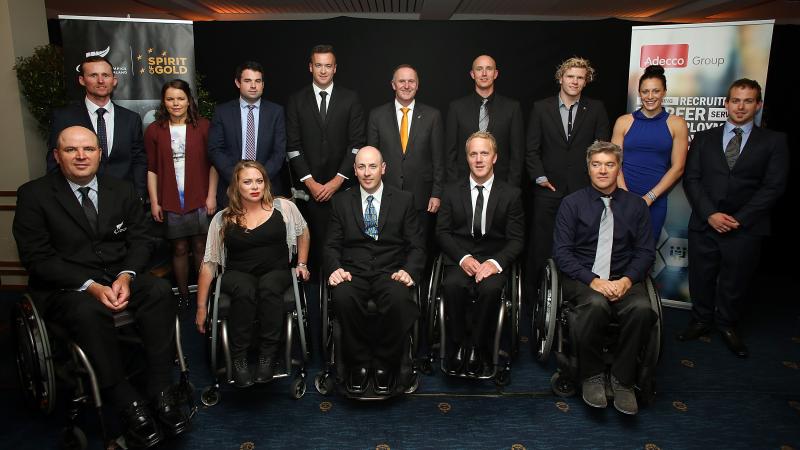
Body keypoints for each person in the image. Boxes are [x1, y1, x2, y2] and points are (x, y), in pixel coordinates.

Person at [14, 126, 189, 447]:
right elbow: (36, 258)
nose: (81, 156)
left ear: (99, 153)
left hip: (121, 277)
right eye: (71, 150)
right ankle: (126, 402)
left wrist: (127, 275)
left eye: (88, 149)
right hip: (70, 288)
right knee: (87, 310)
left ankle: (160, 389)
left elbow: (141, 239)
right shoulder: (34, 195)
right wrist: (90, 285)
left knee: (160, 292)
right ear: (57, 155)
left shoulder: (120, 190)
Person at [679, 79, 789, 358]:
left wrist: (739, 219)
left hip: (746, 227)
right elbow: (692, 179)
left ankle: (727, 324)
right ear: (726, 103)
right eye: (736, 100)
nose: (741, 107)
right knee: (701, 276)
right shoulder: (704, 137)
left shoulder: (774, 141)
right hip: (705, 222)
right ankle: (702, 320)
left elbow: (773, 186)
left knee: (735, 279)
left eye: (748, 101)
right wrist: (711, 214)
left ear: (758, 105)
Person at [553, 141, 656, 416]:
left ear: (618, 168)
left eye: (609, 165)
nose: (602, 170)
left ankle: (623, 379)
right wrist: (593, 280)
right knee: (596, 305)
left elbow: (646, 252)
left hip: (624, 277)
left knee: (643, 310)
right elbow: (562, 253)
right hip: (583, 278)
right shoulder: (571, 204)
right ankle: (592, 375)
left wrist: (626, 280)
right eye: (596, 164)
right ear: (588, 169)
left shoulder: (636, 206)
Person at [194, 160, 310, 387]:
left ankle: (268, 357)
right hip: (238, 274)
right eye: (248, 182)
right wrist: (200, 308)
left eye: (259, 181)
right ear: (237, 186)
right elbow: (209, 265)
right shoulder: (223, 219)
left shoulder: (283, 208)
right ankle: (239, 360)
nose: (255, 186)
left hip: (276, 271)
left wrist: (303, 264)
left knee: (268, 286)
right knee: (245, 288)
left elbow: (303, 233)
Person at [325, 146, 424, 395]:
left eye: (372, 166)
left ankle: (384, 363)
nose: (367, 172)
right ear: (355, 171)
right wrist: (335, 269)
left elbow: (417, 246)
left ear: (383, 169)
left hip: (390, 271)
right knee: (342, 297)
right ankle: (358, 363)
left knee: (400, 298)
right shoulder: (340, 202)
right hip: (353, 272)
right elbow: (330, 246)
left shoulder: (404, 200)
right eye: (361, 167)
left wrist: (408, 271)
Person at [436, 131, 524, 376]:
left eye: (484, 153)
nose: (479, 159)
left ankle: (477, 346)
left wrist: (494, 263)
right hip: (459, 258)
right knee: (452, 287)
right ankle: (457, 345)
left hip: (493, 260)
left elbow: (516, 240)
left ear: (494, 157)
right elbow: (442, 232)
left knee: (491, 289)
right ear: (467, 158)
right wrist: (463, 258)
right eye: (473, 154)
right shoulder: (452, 191)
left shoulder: (511, 194)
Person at [525, 56, 609, 293]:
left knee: (578, 246)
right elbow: (531, 149)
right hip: (547, 191)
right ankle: (534, 301)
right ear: (560, 78)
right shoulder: (541, 108)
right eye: (570, 76)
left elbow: (601, 150)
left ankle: (572, 295)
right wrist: (540, 178)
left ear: (586, 82)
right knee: (541, 247)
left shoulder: (596, 108)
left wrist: (592, 183)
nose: (575, 81)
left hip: (583, 192)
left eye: (580, 78)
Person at [286, 44, 365, 276]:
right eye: (318, 65)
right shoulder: (296, 100)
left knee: (343, 246)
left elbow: (356, 145)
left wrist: (336, 181)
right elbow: (293, 148)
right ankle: (314, 303)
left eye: (327, 66)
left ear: (335, 68)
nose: (323, 70)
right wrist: (310, 183)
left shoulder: (351, 99)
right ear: (310, 67)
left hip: (342, 190)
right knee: (314, 251)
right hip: (308, 193)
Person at [145, 79, 217, 306]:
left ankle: (204, 296)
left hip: (200, 197)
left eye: (180, 98)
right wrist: (155, 202)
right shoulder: (154, 130)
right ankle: (184, 295)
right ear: (163, 102)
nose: (175, 103)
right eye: (170, 99)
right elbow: (152, 169)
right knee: (179, 247)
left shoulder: (204, 126)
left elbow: (213, 165)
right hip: (171, 199)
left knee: (200, 246)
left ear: (189, 101)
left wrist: (212, 195)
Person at [47, 56, 147, 198]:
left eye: (105, 75)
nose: (101, 80)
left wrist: (139, 195)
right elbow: (54, 160)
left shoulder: (131, 118)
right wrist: (60, 198)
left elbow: (139, 160)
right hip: (80, 197)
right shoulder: (64, 117)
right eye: (93, 75)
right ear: (82, 80)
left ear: (114, 80)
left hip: (123, 197)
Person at [367, 64, 444, 242]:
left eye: (411, 81)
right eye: (402, 81)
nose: (406, 86)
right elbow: (371, 157)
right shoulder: (377, 116)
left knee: (419, 247)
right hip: (385, 194)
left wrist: (437, 193)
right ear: (393, 84)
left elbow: (439, 159)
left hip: (422, 197)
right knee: (389, 247)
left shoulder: (433, 116)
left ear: (417, 85)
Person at [611, 64, 689, 239]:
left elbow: (678, 168)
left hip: (656, 201)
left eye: (656, 91)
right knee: (619, 253)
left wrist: (649, 198)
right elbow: (614, 162)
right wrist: (625, 195)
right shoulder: (623, 122)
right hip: (623, 199)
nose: (650, 96)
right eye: (645, 91)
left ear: (664, 92)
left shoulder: (677, 124)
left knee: (646, 254)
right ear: (639, 93)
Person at [208, 61, 286, 205]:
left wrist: (259, 180)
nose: (253, 86)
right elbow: (215, 150)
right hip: (230, 187)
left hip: (267, 188)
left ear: (263, 84)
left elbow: (279, 152)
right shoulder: (222, 112)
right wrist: (238, 178)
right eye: (247, 80)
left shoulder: (276, 112)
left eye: (258, 81)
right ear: (238, 83)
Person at [446, 55, 525, 186]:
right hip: (463, 185)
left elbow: (517, 154)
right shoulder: (456, 108)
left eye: (488, 69)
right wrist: (455, 186)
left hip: (502, 185)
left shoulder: (512, 108)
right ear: (472, 74)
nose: (483, 73)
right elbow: (450, 153)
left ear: (495, 74)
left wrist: (512, 187)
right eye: (479, 69)